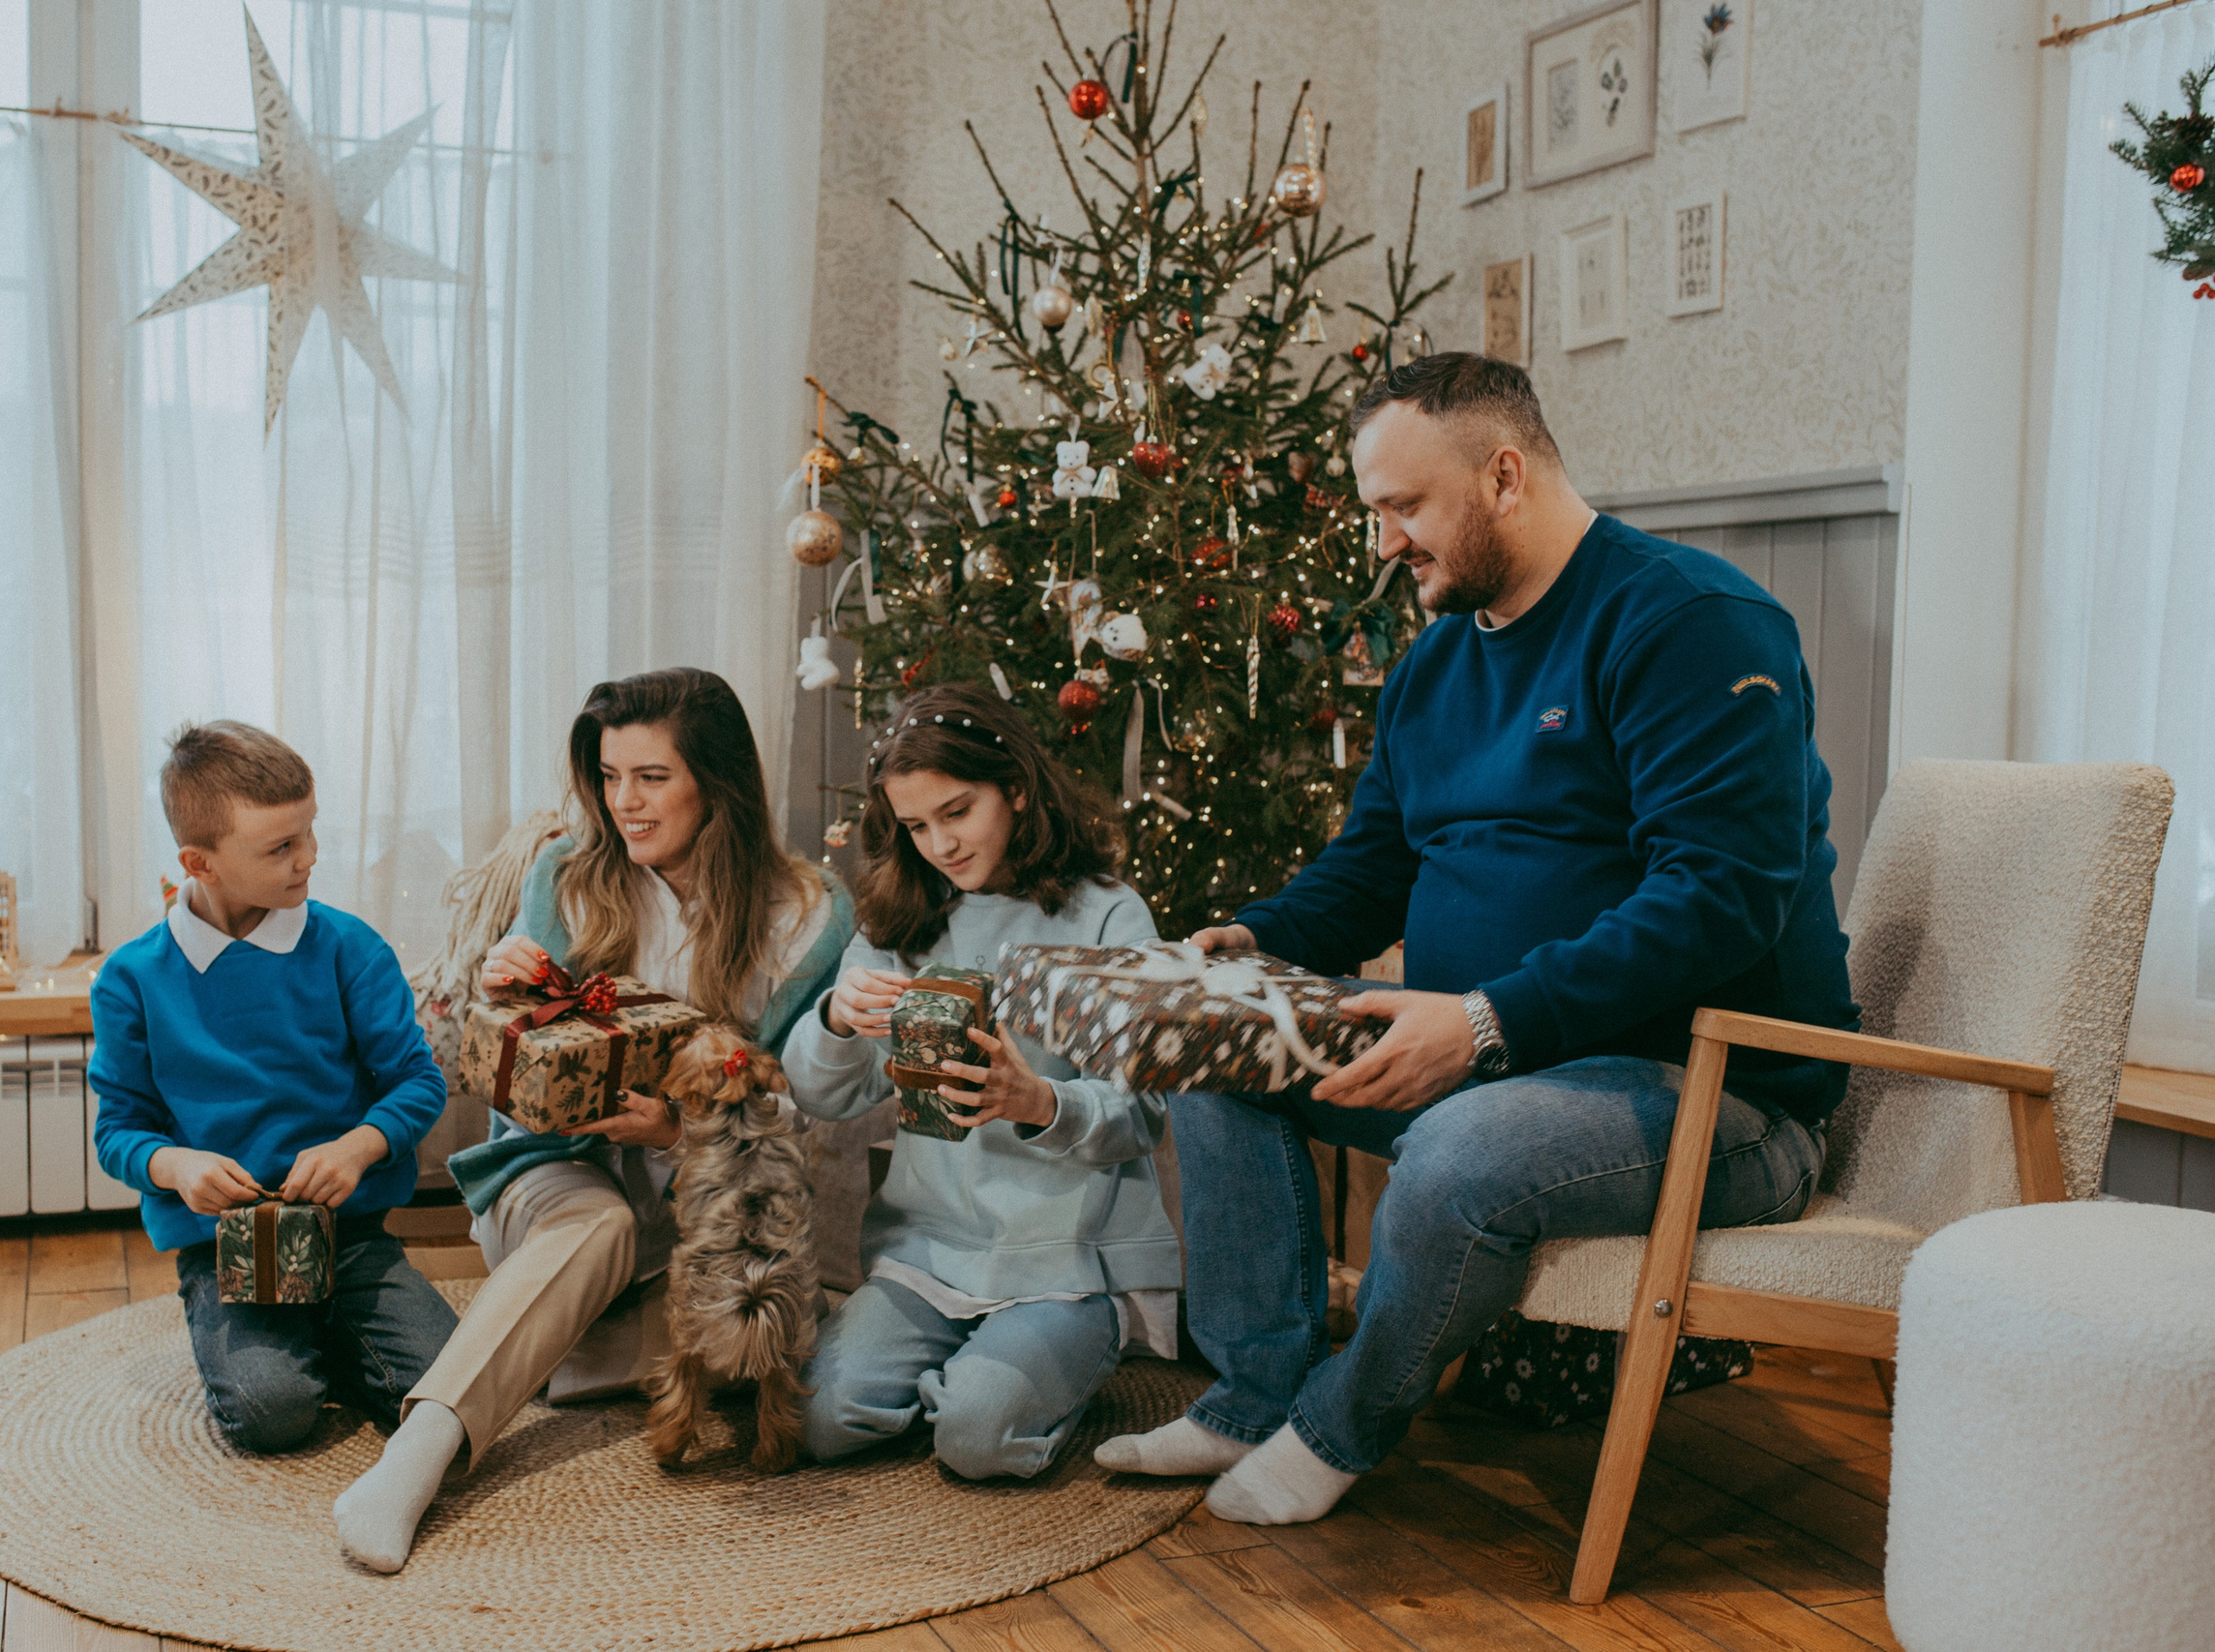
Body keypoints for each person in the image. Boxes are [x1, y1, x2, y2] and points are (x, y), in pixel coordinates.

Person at [1093, 353, 1858, 1525]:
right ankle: (1250, 1396)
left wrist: (1488, 1024)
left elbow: (1719, 898)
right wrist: (1252, 939)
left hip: (1714, 1095)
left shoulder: (1690, 622)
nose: (1383, 543)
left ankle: (1337, 1427)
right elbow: (1374, 868)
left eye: (1403, 507)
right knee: (1218, 1047)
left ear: (1502, 475)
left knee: (1456, 1150)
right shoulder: (1436, 660)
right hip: (1495, 1058)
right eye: (1375, 513)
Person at [334, 667, 851, 1571]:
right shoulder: (567, 875)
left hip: (703, 1210)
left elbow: (793, 1095)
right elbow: (513, 1071)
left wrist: (680, 1133)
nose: (624, 803)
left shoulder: (805, 916)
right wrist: (505, 994)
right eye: (610, 776)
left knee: (735, 1346)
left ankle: (561, 1350)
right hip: (552, 1183)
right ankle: (413, 1460)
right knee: (600, 1222)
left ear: (716, 782)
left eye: (651, 777)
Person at [782, 682, 1180, 1481]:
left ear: (1019, 788)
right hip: (926, 1252)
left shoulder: (1109, 915)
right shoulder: (897, 915)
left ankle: (1018, 1370)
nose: (939, 845)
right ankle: (974, 1372)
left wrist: (1038, 1102)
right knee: (819, 1422)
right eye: (917, 825)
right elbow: (827, 1096)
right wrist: (833, 1017)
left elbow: (1145, 1113)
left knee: (976, 1438)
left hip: (1065, 1260)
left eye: (957, 812)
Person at [91, 721, 459, 1456]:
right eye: (280, 847)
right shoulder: (132, 978)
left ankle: (334, 1328)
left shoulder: (350, 948)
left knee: (455, 1394)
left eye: (310, 832)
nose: (309, 858)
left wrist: (360, 1145)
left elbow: (420, 1081)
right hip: (226, 1248)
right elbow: (118, 1131)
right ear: (201, 862)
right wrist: (176, 1165)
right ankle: (267, 1335)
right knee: (274, 1415)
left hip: (350, 1236)